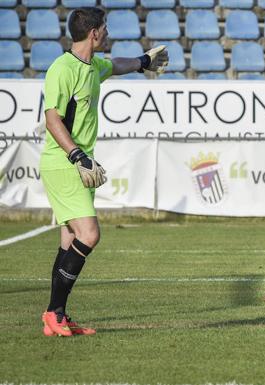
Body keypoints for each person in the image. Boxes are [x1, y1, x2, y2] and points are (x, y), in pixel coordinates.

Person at [39, 7, 168, 337]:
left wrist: (142, 62)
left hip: (77, 164)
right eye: (105, 29)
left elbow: (117, 65)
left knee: (70, 239)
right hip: (64, 163)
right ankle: (54, 314)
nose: (108, 34)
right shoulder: (62, 69)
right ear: (94, 32)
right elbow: (52, 119)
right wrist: (76, 155)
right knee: (90, 235)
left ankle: (57, 317)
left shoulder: (93, 65)